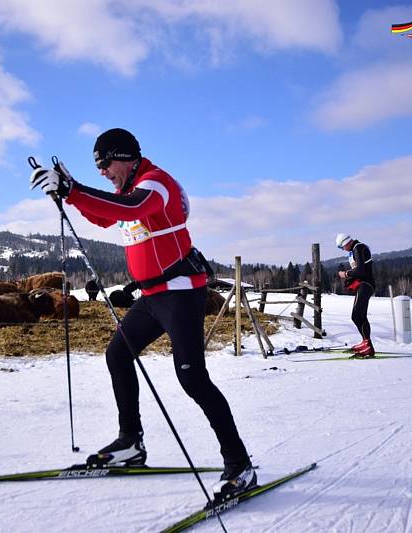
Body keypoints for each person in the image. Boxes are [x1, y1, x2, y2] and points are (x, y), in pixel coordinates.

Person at [30, 128, 255, 499]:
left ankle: (239, 463)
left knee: (193, 380)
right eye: (97, 166)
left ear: (125, 157)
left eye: (105, 163)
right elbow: (106, 217)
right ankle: (131, 442)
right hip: (152, 296)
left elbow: (131, 209)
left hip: (181, 293)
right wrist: (69, 194)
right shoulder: (126, 190)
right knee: (118, 354)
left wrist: (74, 190)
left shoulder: (156, 184)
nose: (102, 171)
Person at [336, 233, 376, 357]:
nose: (343, 250)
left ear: (346, 243)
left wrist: (346, 274)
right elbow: (360, 270)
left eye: (341, 247)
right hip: (365, 285)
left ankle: (367, 345)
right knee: (359, 315)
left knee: (357, 315)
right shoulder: (356, 249)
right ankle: (366, 342)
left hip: (366, 284)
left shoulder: (358, 248)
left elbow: (361, 270)